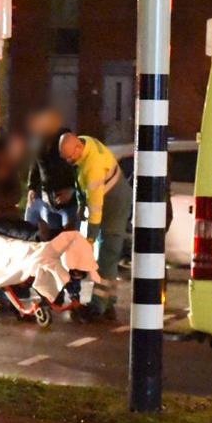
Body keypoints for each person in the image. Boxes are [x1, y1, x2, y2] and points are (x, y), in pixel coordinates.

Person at [59, 131, 132, 322]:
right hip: (114, 198)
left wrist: (90, 238)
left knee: (106, 256)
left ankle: (97, 307)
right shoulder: (86, 144)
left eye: (70, 157)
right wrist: (80, 204)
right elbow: (82, 186)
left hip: (114, 205)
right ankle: (109, 304)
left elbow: (96, 209)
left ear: (78, 147)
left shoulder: (93, 167)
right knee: (109, 257)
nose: (68, 161)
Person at [27, 108, 78, 237]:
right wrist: (32, 187)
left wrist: (72, 191)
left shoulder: (66, 141)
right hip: (49, 199)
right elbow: (36, 164)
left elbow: (78, 168)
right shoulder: (39, 142)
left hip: (68, 202)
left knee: (69, 237)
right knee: (52, 237)